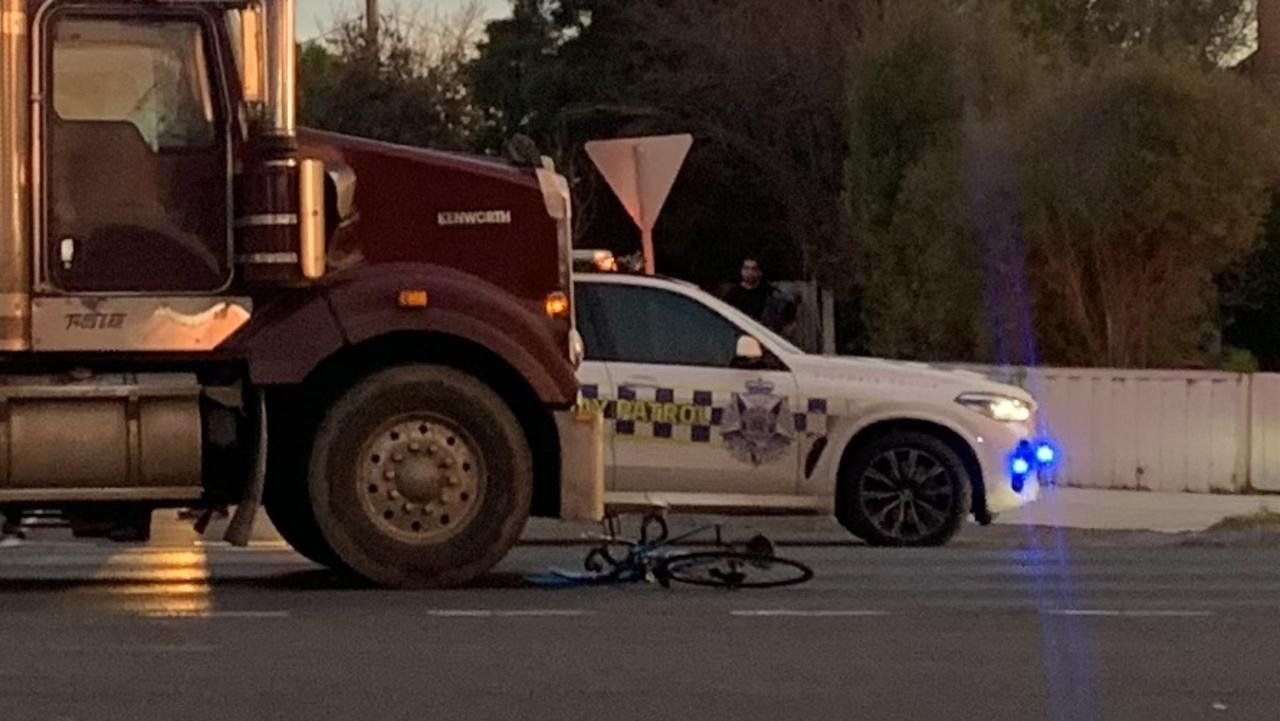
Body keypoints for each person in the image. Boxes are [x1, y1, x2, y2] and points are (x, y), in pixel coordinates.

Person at [724, 257, 796, 333]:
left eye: (753, 269)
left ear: (759, 272)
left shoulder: (769, 292)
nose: (749, 272)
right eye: (746, 268)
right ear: (741, 271)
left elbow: (788, 314)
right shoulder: (732, 294)